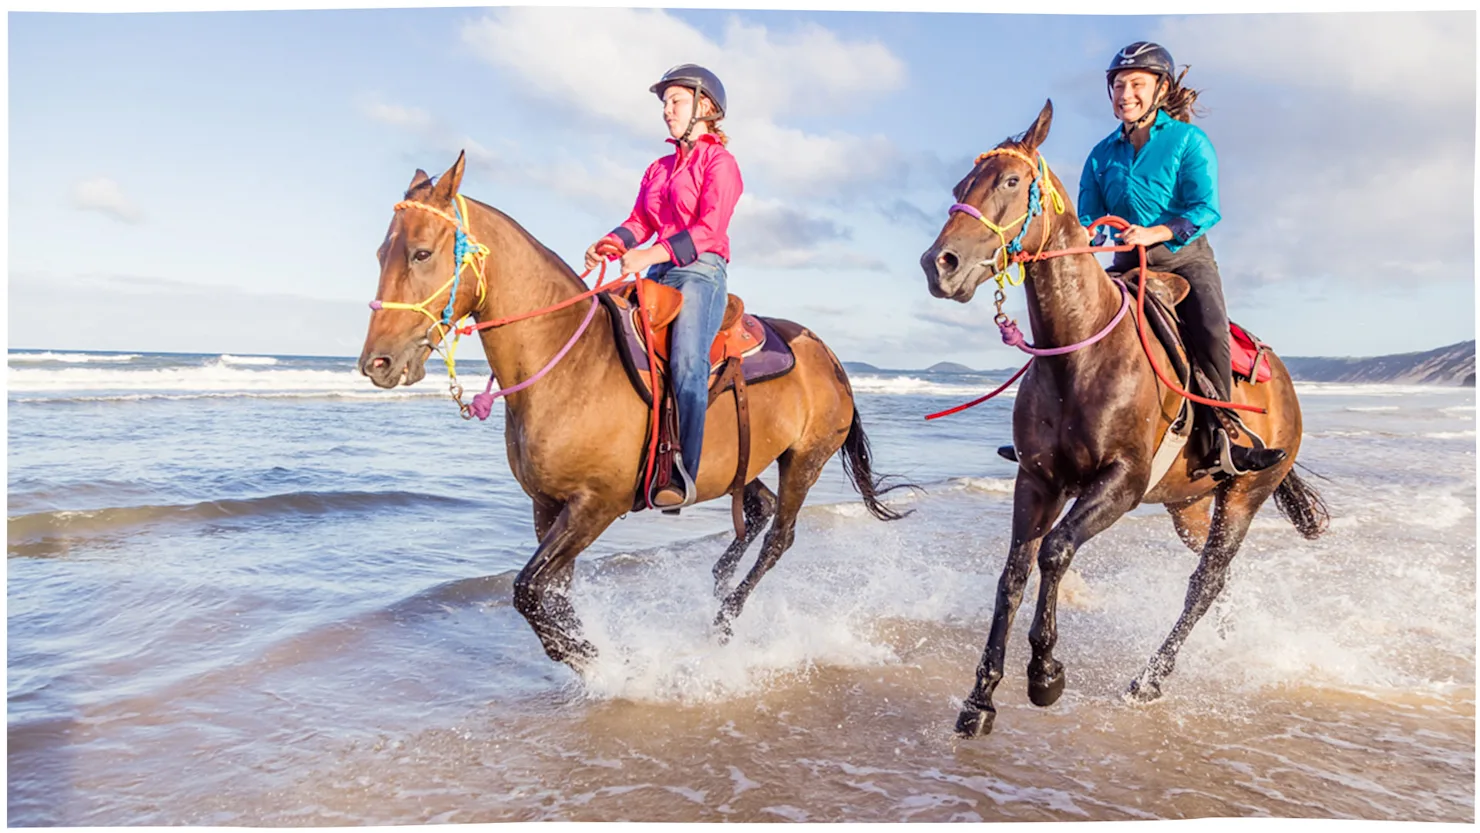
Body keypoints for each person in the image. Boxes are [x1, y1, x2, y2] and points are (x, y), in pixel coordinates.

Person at [1077, 41, 1286, 476]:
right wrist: (1088, 232)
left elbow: (1206, 208)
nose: (1125, 93)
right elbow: (1088, 213)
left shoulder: (1188, 140)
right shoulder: (1100, 154)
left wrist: (1156, 231)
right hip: (1125, 268)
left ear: (1160, 88)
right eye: (1118, 84)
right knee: (1070, 327)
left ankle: (1227, 437)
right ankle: (1054, 430)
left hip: (1184, 263)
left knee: (1209, 331)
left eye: (1137, 83)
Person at [584, 64, 744, 508]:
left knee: (687, 362)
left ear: (705, 107)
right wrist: (612, 243)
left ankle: (680, 474)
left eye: (675, 101)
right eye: (664, 104)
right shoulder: (658, 168)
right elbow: (641, 222)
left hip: (700, 272)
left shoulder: (721, 163)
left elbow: (710, 230)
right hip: (655, 272)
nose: (666, 111)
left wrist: (650, 254)